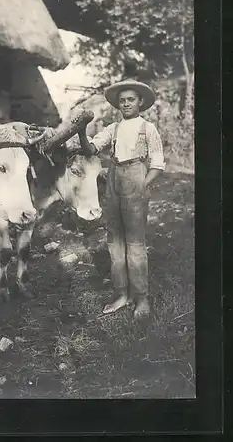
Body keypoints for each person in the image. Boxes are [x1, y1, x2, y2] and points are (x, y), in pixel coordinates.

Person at [80, 79, 165, 318]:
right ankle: (121, 294)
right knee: (114, 240)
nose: (126, 103)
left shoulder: (147, 128)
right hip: (114, 178)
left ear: (140, 102)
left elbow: (157, 164)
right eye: (122, 101)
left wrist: (142, 185)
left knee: (135, 243)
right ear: (118, 105)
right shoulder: (113, 128)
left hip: (135, 176)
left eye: (131, 100)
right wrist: (81, 131)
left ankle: (141, 298)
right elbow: (92, 149)